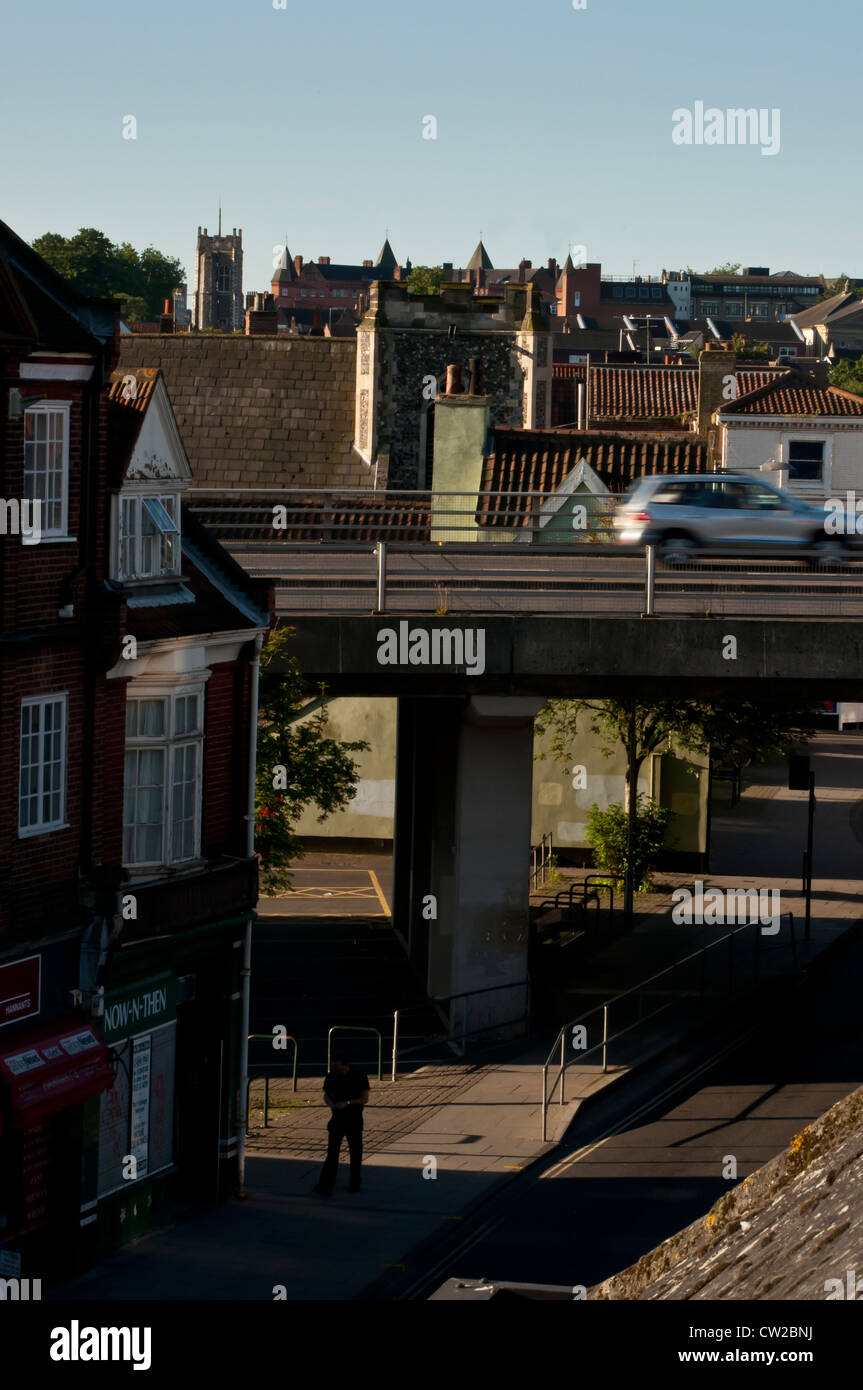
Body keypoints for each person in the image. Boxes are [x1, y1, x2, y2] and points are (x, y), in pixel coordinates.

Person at [313, 1054, 370, 1196]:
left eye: (338, 1067)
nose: (336, 1070)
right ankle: (326, 1184)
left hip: (354, 1119)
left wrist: (348, 1103)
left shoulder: (359, 1075)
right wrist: (332, 1105)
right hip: (337, 1118)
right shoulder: (332, 1076)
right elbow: (326, 1095)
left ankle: (354, 1182)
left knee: (355, 1152)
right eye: (334, 1067)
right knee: (333, 1153)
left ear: (345, 1065)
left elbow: (364, 1098)